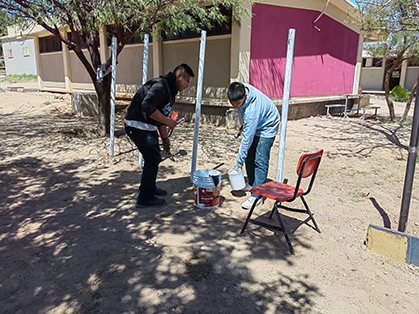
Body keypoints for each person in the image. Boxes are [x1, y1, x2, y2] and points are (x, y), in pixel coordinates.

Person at [125, 64, 195, 208]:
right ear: (179, 77)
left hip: (146, 126)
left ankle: (150, 189)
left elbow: (160, 117)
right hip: (137, 125)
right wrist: (168, 121)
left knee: (154, 157)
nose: (187, 85)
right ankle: (144, 198)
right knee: (153, 157)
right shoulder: (162, 86)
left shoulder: (170, 91)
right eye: (187, 81)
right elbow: (147, 105)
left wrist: (165, 140)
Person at [227, 82, 280, 209]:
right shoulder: (240, 88)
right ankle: (252, 183)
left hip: (268, 125)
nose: (235, 106)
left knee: (260, 160)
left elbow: (247, 140)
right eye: (232, 103)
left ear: (245, 96)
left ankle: (258, 195)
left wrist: (238, 163)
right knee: (250, 156)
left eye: (237, 104)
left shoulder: (252, 111)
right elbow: (242, 115)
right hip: (257, 121)